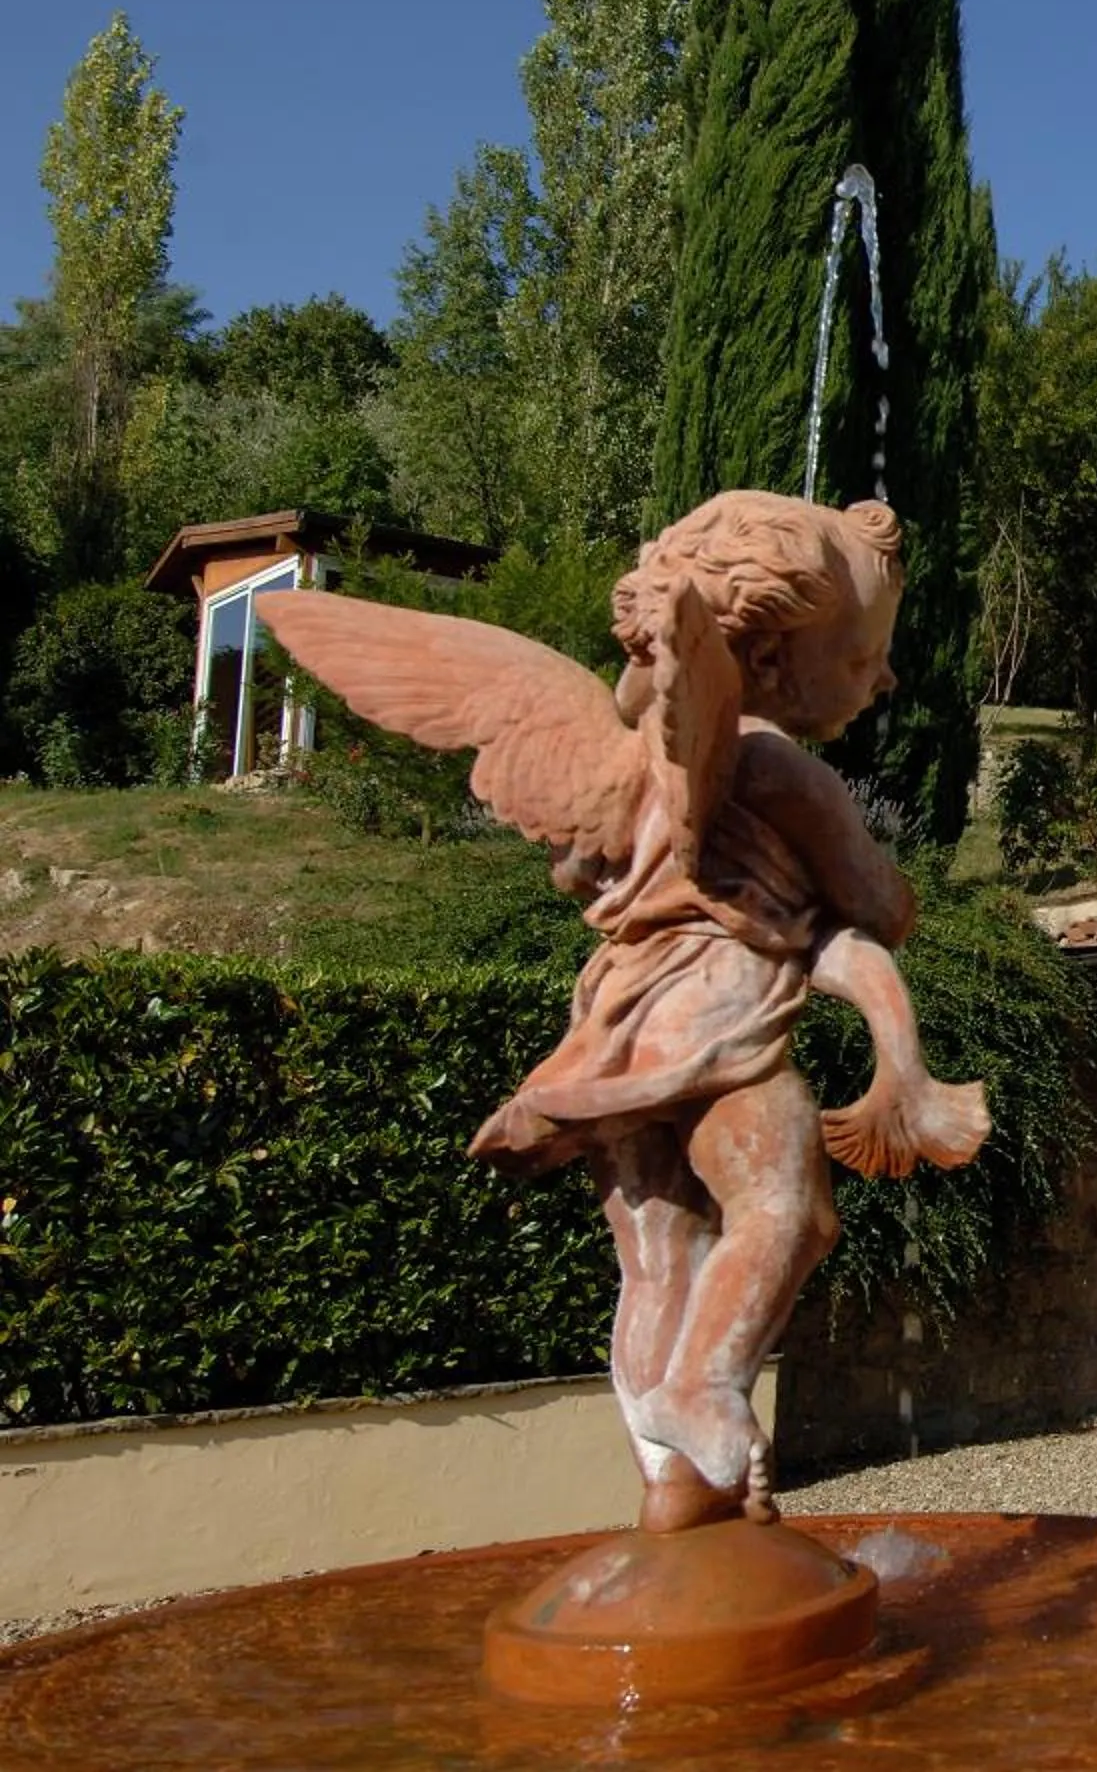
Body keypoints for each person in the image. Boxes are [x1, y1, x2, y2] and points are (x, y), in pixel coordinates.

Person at [259, 491, 987, 1532]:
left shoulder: (642, 761)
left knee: (656, 1253)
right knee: (788, 1212)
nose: (886, 678)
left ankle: (668, 1493)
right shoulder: (779, 769)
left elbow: (576, 867)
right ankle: (703, 1387)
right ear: (775, 657)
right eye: (867, 655)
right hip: (717, 1031)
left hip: (620, 1021)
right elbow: (881, 904)